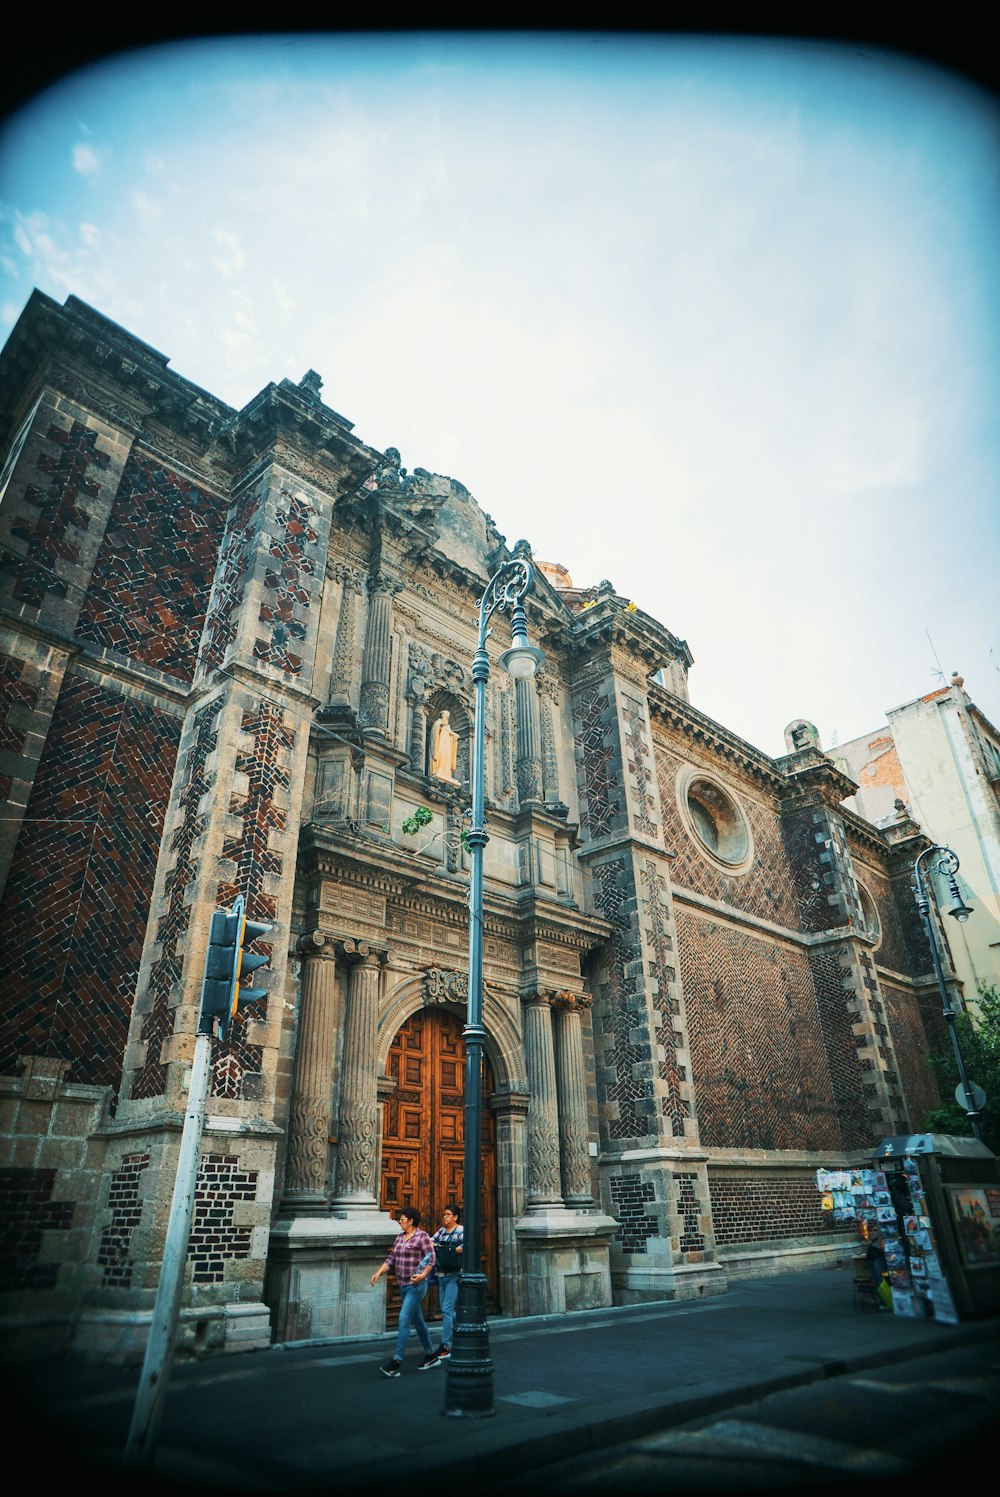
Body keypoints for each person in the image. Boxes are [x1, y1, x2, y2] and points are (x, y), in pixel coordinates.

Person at [370, 1208, 440, 1376]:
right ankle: (431, 1354)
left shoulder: (422, 1237)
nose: (399, 1221)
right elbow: (391, 1259)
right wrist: (378, 1273)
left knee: (403, 1319)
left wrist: (422, 1275)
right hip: (402, 1285)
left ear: (411, 1221)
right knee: (418, 1321)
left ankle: (396, 1362)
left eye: (402, 1219)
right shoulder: (399, 1237)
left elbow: (431, 1258)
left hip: (416, 1286)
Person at [430, 1204, 463, 1359]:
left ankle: (445, 1345)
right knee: (446, 1309)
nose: (445, 1217)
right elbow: (430, 1242)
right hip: (441, 1274)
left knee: (446, 1310)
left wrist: (456, 1249)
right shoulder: (442, 1231)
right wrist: (439, 1246)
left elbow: (468, 1244)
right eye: (444, 1214)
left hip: (454, 1275)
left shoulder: (460, 1230)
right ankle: (463, 1327)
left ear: (455, 1217)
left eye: (448, 1214)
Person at [429, 710, 459, 783]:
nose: (447, 718)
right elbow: (435, 735)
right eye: (446, 716)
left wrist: (454, 736)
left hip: (447, 746)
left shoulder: (448, 727)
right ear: (442, 716)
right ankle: (439, 770)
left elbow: (451, 734)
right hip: (440, 745)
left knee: (447, 758)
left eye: (447, 717)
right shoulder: (438, 723)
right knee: (441, 756)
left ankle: (446, 774)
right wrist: (441, 727)